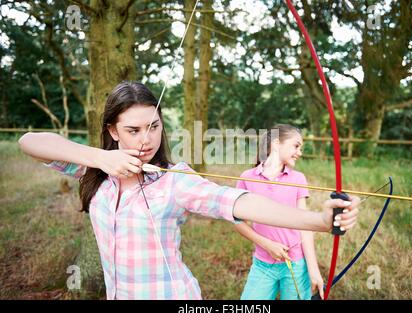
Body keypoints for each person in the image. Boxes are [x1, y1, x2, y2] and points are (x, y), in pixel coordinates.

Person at [18, 81, 360, 300]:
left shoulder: (174, 181)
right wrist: (99, 158)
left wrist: (318, 220)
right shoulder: (95, 170)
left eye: (153, 127)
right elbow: (30, 142)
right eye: (133, 130)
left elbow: (236, 201)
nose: (146, 140)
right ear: (113, 130)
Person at [236, 124, 323, 300]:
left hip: (296, 265)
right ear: (276, 143)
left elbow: (304, 226)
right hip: (263, 265)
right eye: (296, 146)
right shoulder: (247, 177)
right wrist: (267, 244)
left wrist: (313, 270)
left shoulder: (298, 179)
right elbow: (238, 223)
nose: (300, 152)